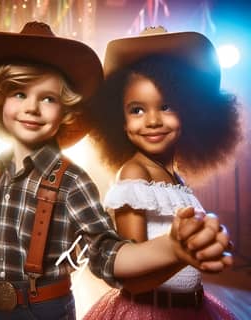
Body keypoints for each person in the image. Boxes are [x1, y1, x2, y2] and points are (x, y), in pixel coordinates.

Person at [0, 22, 233, 320]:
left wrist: (175, 249)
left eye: (48, 98)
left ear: (66, 111)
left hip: (46, 309)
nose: (32, 108)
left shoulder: (72, 181)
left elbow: (105, 252)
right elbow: (21, 238)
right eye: (19, 94)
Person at [83, 27, 240, 319]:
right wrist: (181, 255)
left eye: (165, 106)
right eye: (137, 110)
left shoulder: (177, 180)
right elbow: (132, 279)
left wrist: (206, 244)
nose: (153, 120)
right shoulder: (134, 174)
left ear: (191, 112)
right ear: (118, 119)